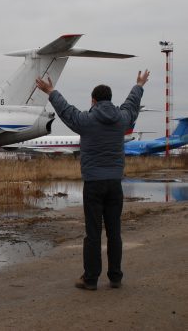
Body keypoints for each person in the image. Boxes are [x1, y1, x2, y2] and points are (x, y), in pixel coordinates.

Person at [35, 70, 150, 290]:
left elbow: (66, 111)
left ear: (93, 100)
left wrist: (51, 91)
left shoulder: (86, 120)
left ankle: (90, 279)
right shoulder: (122, 120)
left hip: (94, 184)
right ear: (110, 99)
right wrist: (139, 85)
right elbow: (131, 104)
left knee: (93, 233)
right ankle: (115, 277)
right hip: (115, 184)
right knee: (115, 232)